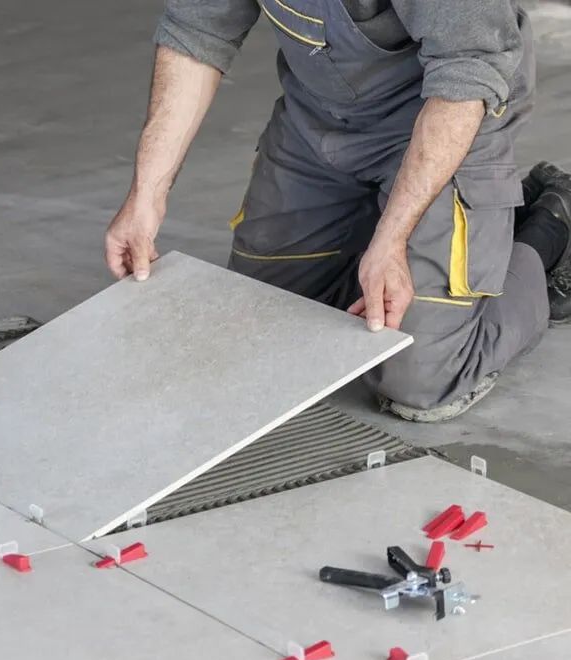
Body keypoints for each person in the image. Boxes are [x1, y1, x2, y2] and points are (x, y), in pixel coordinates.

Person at [105, 0, 571, 422]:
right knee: (259, 332)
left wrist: (393, 239)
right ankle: (437, 239)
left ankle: (550, 225)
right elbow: (196, 31)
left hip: (448, 114)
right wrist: (146, 193)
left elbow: (467, 72)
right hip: (321, 122)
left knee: (419, 377)